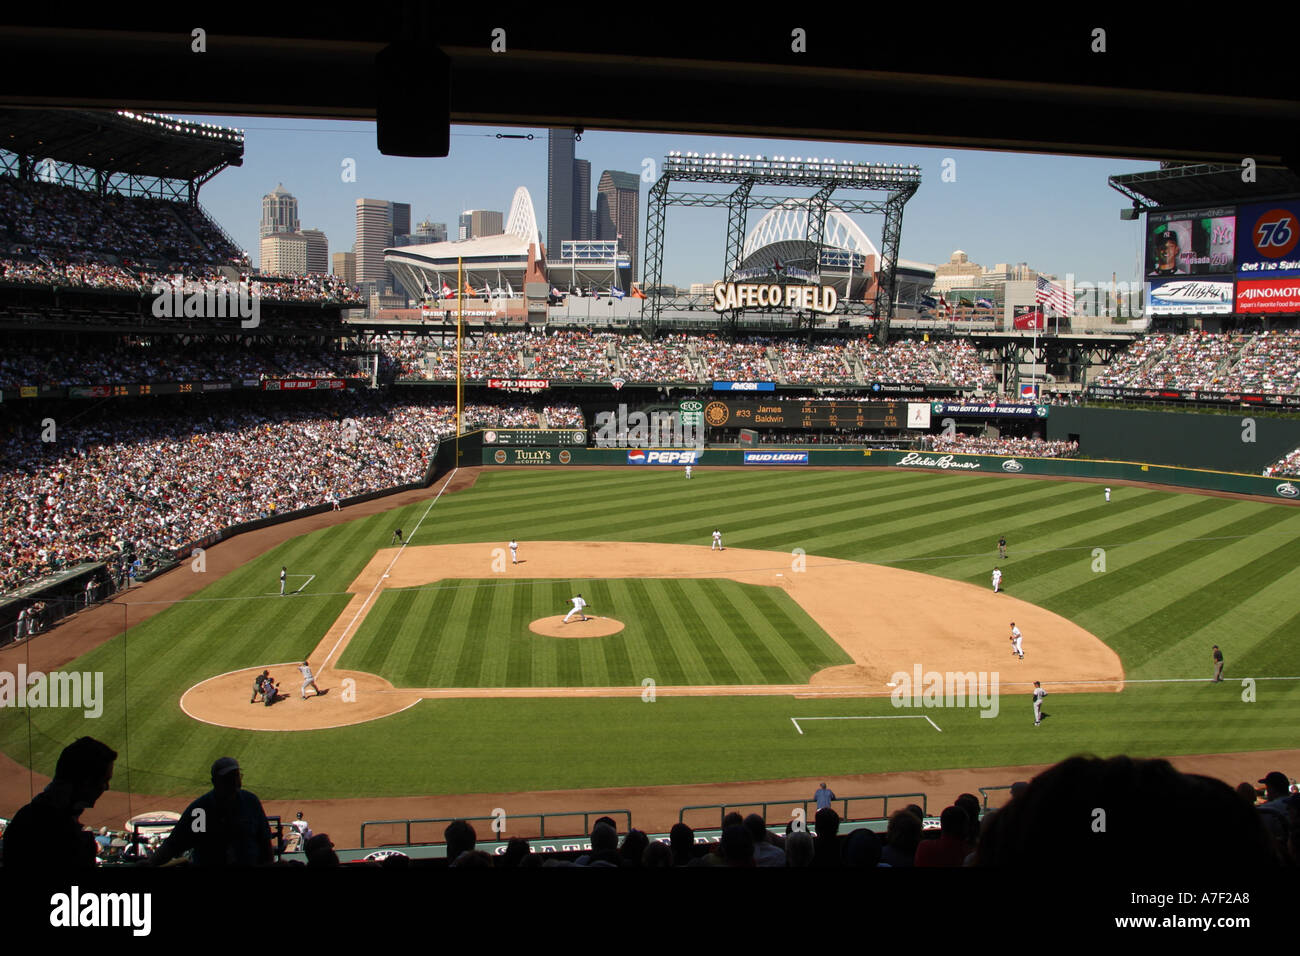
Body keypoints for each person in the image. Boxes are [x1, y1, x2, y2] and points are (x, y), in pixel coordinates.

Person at [2, 736, 118, 868]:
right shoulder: (62, 833)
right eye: (104, 781)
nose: (106, 787)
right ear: (85, 782)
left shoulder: (30, 813)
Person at [152, 757, 274, 867]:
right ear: (215, 781)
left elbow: (265, 843)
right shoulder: (200, 811)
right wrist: (150, 863)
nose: (233, 781)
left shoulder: (251, 802)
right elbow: (174, 844)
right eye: (228, 778)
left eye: (236, 776)